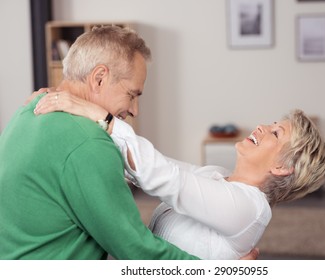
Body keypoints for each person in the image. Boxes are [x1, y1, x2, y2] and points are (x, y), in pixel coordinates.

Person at [33, 91, 325, 260]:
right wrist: (69, 112)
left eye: (276, 133)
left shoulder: (250, 209)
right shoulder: (217, 176)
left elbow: (164, 178)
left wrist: (100, 115)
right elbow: (151, 167)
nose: (263, 127)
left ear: (281, 167)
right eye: (271, 123)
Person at [0, 25, 212, 260]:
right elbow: (137, 250)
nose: (134, 110)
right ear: (99, 79)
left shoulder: (29, 110)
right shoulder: (88, 142)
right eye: (132, 95)